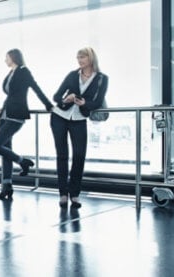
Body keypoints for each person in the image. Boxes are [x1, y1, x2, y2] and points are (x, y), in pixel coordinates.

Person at [0, 49, 53, 201]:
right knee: (5, 151)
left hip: (16, 116)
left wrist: (48, 105)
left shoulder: (23, 71)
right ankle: (6, 187)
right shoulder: (10, 73)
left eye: (6, 57)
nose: (5, 60)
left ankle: (23, 162)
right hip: (5, 114)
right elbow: (11, 95)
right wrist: (2, 109)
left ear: (13, 57)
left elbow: (36, 89)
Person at [50, 47, 108, 209]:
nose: (80, 60)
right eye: (78, 58)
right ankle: (62, 193)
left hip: (79, 119)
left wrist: (84, 103)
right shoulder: (72, 75)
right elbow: (56, 96)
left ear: (91, 58)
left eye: (82, 57)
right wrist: (66, 100)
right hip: (59, 117)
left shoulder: (102, 78)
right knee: (62, 156)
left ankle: (74, 194)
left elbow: (98, 102)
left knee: (79, 155)